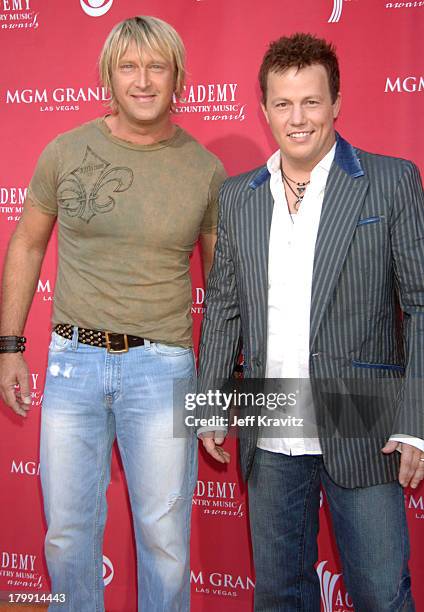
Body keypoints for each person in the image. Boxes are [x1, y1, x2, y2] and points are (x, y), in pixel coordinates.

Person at [0, 15, 226, 612]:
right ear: (109, 74)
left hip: (165, 371)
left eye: (157, 66)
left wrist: (219, 390)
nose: (144, 80)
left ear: (178, 77)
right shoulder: (66, 150)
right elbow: (25, 243)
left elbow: (226, 290)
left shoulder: (204, 171)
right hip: (73, 365)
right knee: (67, 534)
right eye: (130, 66)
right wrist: (8, 347)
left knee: (165, 542)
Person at [197, 33, 424, 611]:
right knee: (278, 594)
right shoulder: (238, 196)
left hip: (362, 414)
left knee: (380, 592)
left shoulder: (391, 180)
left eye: (312, 102)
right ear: (264, 108)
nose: (297, 119)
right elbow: (223, 306)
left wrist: (416, 422)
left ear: (337, 103)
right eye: (283, 103)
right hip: (269, 413)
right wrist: (207, 409)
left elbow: (420, 305)